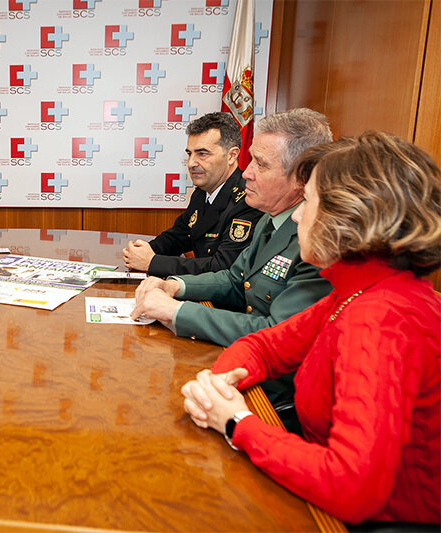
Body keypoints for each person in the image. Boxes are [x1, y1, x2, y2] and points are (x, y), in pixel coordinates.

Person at [180, 131, 441, 525]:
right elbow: (262, 348)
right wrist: (219, 388)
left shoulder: (383, 317)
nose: (298, 214)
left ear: (350, 219)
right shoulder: (357, 291)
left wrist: (237, 423)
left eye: (309, 201)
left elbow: (352, 489)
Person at [131, 108, 333, 348]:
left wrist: (177, 312)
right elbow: (234, 279)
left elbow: (277, 333)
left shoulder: (319, 240)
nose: (246, 172)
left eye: (261, 164)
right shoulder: (270, 219)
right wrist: (174, 285)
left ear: (302, 176)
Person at [123, 112, 263, 277]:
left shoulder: (247, 199)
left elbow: (223, 267)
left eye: (202, 154)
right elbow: (178, 236)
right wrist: (143, 251)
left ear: (232, 156)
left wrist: (152, 262)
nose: (191, 163)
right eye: (190, 154)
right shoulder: (201, 194)